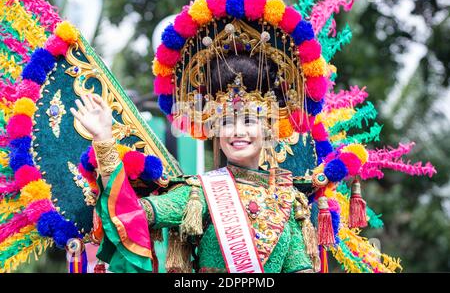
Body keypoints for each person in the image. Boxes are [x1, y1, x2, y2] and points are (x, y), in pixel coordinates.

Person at [70, 53, 319, 273]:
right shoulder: (198, 194)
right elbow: (131, 213)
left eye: (248, 121)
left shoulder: (287, 197)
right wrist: (103, 140)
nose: (236, 132)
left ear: (267, 130)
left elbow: (299, 267)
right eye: (226, 123)